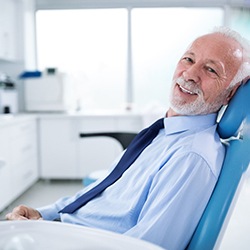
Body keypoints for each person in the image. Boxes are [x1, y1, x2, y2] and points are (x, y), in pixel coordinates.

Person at [6, 26, 250, 250]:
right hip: (62, 229)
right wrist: (43, 215)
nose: (190, 74)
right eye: (189, 59)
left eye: (211, 69)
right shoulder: (163, 133)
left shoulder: (192, 156)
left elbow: (146, 246)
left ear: (231, 93)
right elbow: (102, 195)